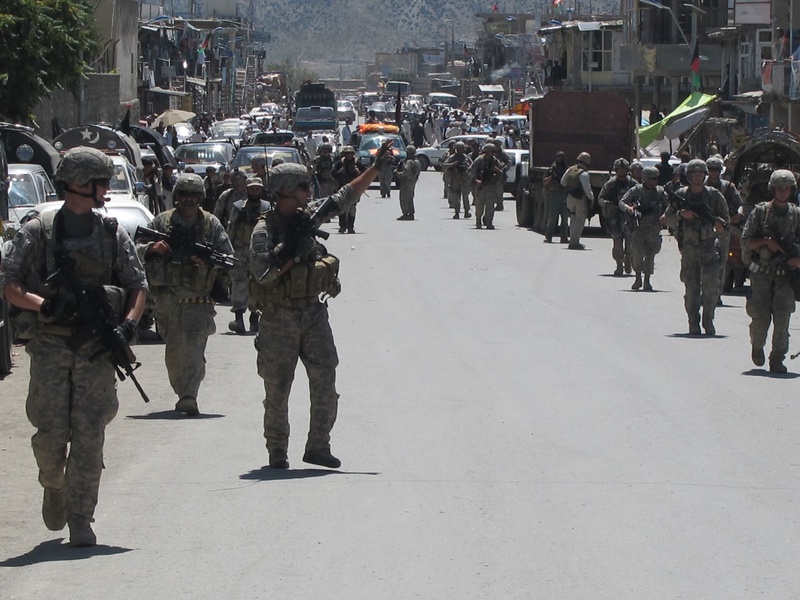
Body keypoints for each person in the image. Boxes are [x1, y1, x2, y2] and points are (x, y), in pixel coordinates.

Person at [0, 146, 148, 547]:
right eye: (102, 181)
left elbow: (138, 286)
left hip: (95, 351)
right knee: (50, 436)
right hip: (50, 347)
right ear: (81, 184)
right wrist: (44, 303)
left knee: (90, 435)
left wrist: (127, 327)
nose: (107, 188)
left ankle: (81, 517)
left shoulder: (111, 233)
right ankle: (54, 486)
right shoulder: (37, 231)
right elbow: (9, 285)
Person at [248, 142, 394, 469]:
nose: (307, 191)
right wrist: (294, 256)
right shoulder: (265, 230)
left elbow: (344, 196)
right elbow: (263, 273)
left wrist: (375, 168)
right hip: (279, 317)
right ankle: (277, 451)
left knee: (325, 377)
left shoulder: (308, 216)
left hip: (312, 312)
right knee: (277, 388)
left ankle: (318, 445)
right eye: (302, 187)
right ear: (285, 192)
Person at [137, 173, 234, 415]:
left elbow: (228, 257)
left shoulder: (211, 224)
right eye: (184, 195)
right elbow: (134, 251)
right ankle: (183, 389)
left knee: (193, 345)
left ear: (200, 198)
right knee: (174, 350)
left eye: (193, 195)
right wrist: (152, 248)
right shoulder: (161, 223)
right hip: (167, 297)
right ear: (177, 197)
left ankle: (189, 394)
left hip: (198, 297)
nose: (189, 200)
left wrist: (207, 262)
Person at [741, 169, 800, 373]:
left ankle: (777, 359)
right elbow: (746, 241)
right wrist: (765, 242)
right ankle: (757, 346)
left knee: (783, 320)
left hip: (786, 278)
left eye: (786, 188)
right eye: (779, 188)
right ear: (772, 189)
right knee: (760, 319)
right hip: (762, 275)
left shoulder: (797, 215)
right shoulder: (760, 213)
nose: (782, 192)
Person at [661, 159, 729, 335]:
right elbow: (665, 219)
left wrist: (719, 228)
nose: (697, 176)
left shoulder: (714, 196)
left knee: (711, 287)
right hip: (690, 247)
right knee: (691, 288)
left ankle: (708, 319)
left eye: (700, 173)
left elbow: (726, 221)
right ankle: (693, 321)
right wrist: (680, 214)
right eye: (694, 173)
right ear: (689, 176)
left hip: (709, 246)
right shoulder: (681, 195)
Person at [226, 178, 271, 334]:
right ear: (247, 190)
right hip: (240, 250)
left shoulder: (267, 207)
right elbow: (231, 229)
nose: (254, 192)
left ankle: (255, 318)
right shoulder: (238, 207)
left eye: (257, 189)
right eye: (252, 189)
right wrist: (228, 251)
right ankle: (239, 318)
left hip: (259, 251)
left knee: (258, 283)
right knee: (238, 282)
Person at [619, 166, 668, 290]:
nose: (654, 181)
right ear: (644, 178)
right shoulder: (636, 190)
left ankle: (647, 280)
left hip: (653, 227)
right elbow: (622, 202)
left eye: (656, 179)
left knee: (650, 254)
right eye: (651, 179)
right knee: (637, 253)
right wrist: (628, 209)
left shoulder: (660, 192)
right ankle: (637, 279)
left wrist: (665, 215)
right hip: (638, 227)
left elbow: (669, 205)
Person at [705, 156, 743, 302]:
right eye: (711, 170)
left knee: (722, 262)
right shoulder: (700, 186)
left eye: (716, 170)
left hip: (723, 229)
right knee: (704, 260)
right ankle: (705, 291)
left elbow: (739, 204)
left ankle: (717, 293)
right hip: (705, 228)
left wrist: (737, 216)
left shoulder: (728, 187)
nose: (713, 172)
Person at [598, 158, 635, 274]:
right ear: (616, 170)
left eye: (624, 169)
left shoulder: (633, 184)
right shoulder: (610, 184)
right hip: (614, 217)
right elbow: (601, 198)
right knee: (617, 242)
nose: (622, 172)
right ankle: (619, 265)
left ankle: (628, 261)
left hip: (629, 217)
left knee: (630, 242)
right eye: (620, 169)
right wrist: (607, 205)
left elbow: (640, 196)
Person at [561, 152, 594, 249]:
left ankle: (572, 240)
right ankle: (574, 242)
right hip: (580, 199)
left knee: (573, 219)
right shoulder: (584, 174)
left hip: (569, 197)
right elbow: (587, 190)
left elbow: (562, 182)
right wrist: (592, 198)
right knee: (580, 221)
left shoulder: (570, 170)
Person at [332, 146, 366, 233]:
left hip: (354, 188)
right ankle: (342, 226)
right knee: (342, 207)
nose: (349, 155)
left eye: (350, 153)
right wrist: (339, 172)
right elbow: (333, 173)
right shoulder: (340, 163)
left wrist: (359, 172)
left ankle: (351, 227)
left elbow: (365, 173)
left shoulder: (357, 163)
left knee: (352, 208)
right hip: (342, 187)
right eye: (347, 153)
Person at [471, 143, 504, 230]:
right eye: (491, 152)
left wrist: (498, 171)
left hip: (491, 185)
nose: (493, 154)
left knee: (490, 206)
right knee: (479, 205)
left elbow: (501, 171)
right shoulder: (479, 160)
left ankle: (489, 222)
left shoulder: (495, 161)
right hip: (481, 186)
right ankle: (478, 220)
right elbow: (471, 171)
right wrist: (475, 180)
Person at [542, 151, 569, 243]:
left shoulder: (566, 170)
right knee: (553, 218)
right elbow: (544, 182)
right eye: (558, 157)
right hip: (554, 195)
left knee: (565, 218)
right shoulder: (551, 169)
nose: (560, 159)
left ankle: (564, 237)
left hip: (564, 194)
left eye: (562, 157)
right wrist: (551, 177)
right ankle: (548, 236)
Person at [442, 141, 473, 219]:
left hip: (465, 180)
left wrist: (467, 168)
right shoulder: (452, 158)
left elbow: (473, 166)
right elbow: (444, 165)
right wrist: (453, 164)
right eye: (459, 149)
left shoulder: (466, 158)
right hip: (455, 179)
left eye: (462, 149)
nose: (460, 150)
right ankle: (457, 212)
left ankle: (466, 211)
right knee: (456, 197)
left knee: (465, 197)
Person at [395, 145, 420, 220]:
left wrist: (398, 173)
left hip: (406, 181)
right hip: (412, 181)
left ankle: (406, 213)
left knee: (404, 198)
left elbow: (406, 172)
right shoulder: (417, 161)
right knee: (410, 197)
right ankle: (411, 213)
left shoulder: (409, 162)